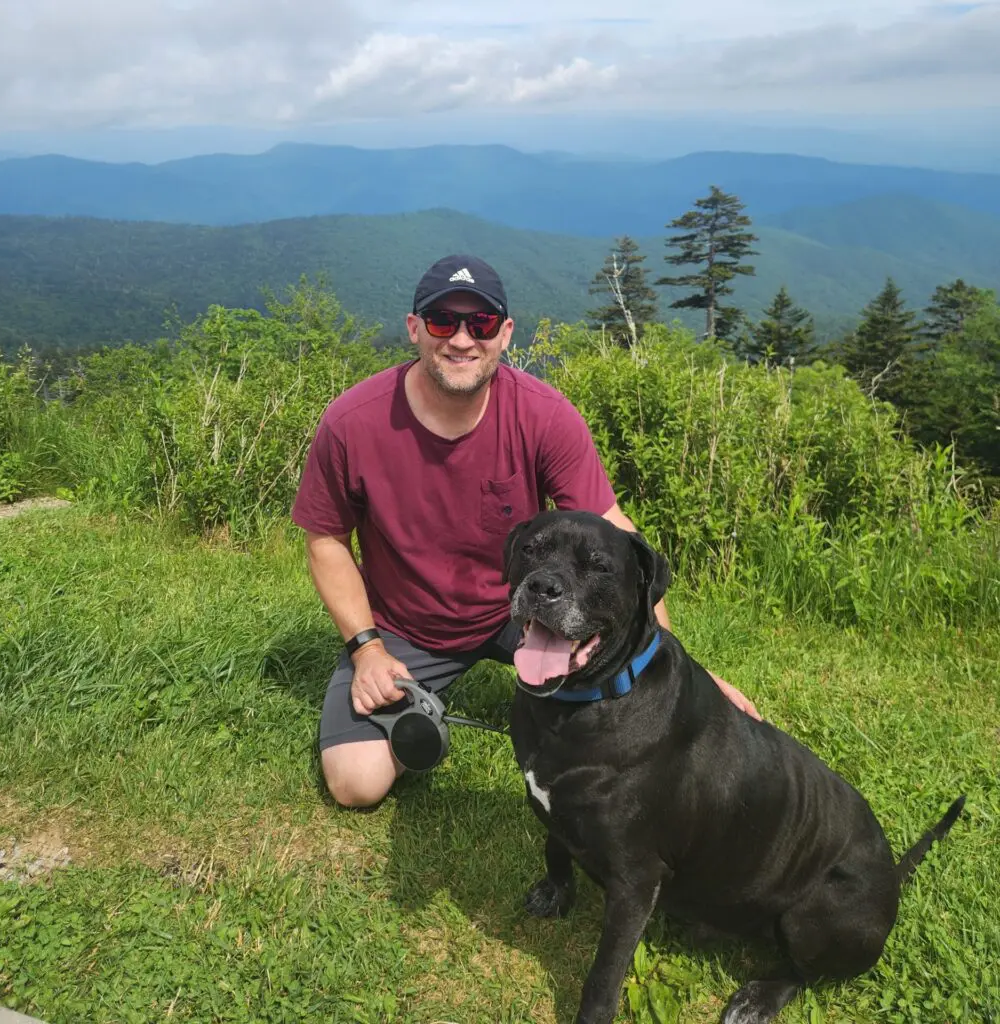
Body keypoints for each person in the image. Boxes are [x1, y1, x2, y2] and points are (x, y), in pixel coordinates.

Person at [292, 254, 759, 808]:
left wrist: (684, 675)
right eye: (443, 321)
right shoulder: (353, 422)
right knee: (355, 783)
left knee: (637, 713)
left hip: (527, 607)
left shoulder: (543, 415)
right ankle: (420, 690)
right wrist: (367, 649)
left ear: (505, 334)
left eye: (481, 324)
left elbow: (612, 531)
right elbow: (325, 540)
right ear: (414, 328)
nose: (462, 340)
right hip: (405, 626)